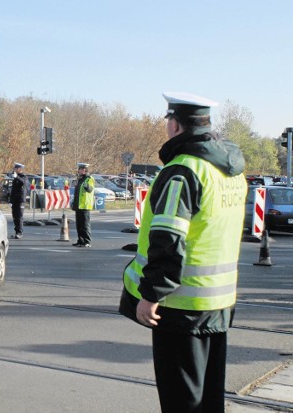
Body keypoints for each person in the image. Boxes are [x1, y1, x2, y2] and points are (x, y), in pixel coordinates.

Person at [119, 92, 247, 413]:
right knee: (208, 397)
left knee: (182, 401)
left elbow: (169, 239)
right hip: (218, 303)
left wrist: (151, 294)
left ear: (174, 124)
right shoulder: (229, 170)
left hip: (180, 308)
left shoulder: (181, 171)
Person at [71, 163, 95, 247]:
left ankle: (87, 241)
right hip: (78, 205)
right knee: (79, 225)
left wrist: (86, 186)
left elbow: (90, 189)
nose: (78, 171)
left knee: (85, 225)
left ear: (84, 170)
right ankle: (80, 240)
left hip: (85, 205)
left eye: (80, 169)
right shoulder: (79, 179)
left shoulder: (89, 179)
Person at [9, 162, 29, 239]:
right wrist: (11, 201)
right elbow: (13, 191)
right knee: (15, 217)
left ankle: (20, 232)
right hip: (14, 200)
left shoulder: (24, 177)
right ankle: (16, 231)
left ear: (19, 169)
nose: (14, 169)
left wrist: (16, 177)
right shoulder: (15, 178)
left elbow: (23, 183)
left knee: (19, 217)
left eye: (16, 168)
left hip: (20, 200)